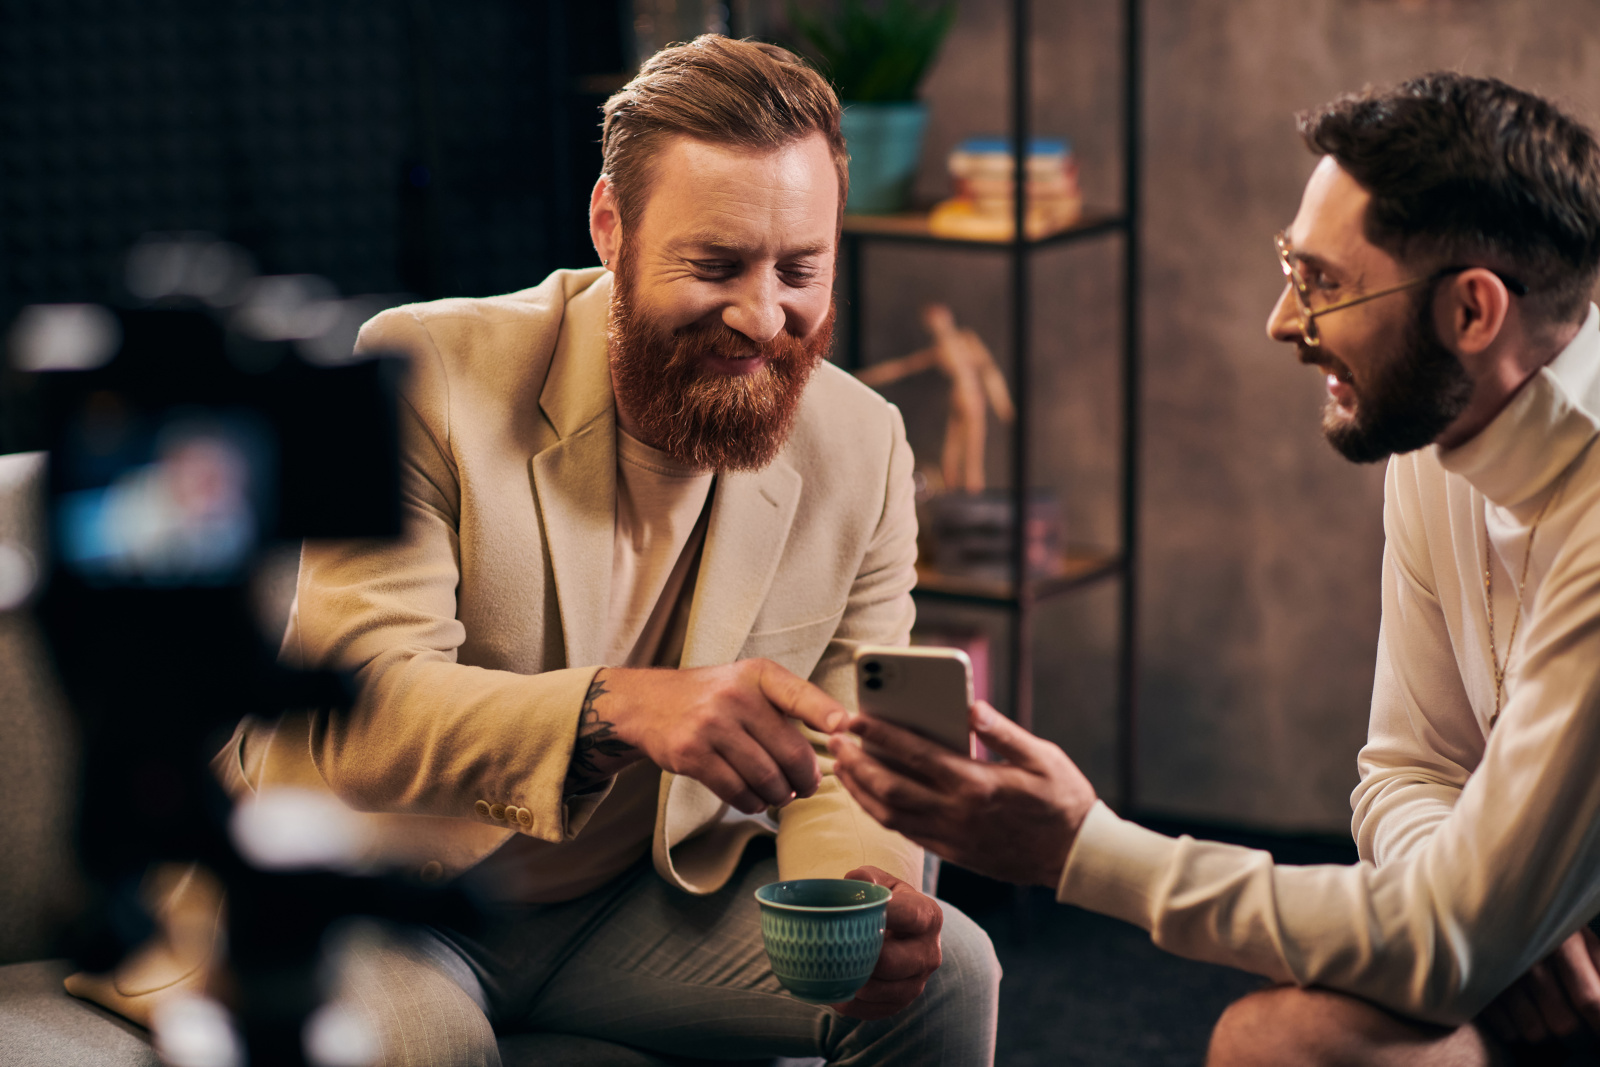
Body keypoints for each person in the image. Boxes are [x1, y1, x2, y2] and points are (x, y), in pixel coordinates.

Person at [215, 35, 998, 1066]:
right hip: (381, 897)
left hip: (631, 908)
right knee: (428, 1041)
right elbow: (359, 709)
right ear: (610, 227)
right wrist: (616, 706)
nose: (764, 316)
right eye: (715, 264)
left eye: (800, 269)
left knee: (950, 975)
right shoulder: (419, 372)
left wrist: (861, 893)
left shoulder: (865, 444)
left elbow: (853, 736)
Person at [828, 71, 1600, 1066]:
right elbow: (1407, 768)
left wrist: (1076, 848)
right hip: (1550, 958)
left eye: (1322, 281)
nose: (1283, 319)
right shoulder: (1439, 422)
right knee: (1273, 1041)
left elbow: (1450, 933)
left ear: (1471, 311)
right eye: (1291, 266)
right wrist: (1496, 906)